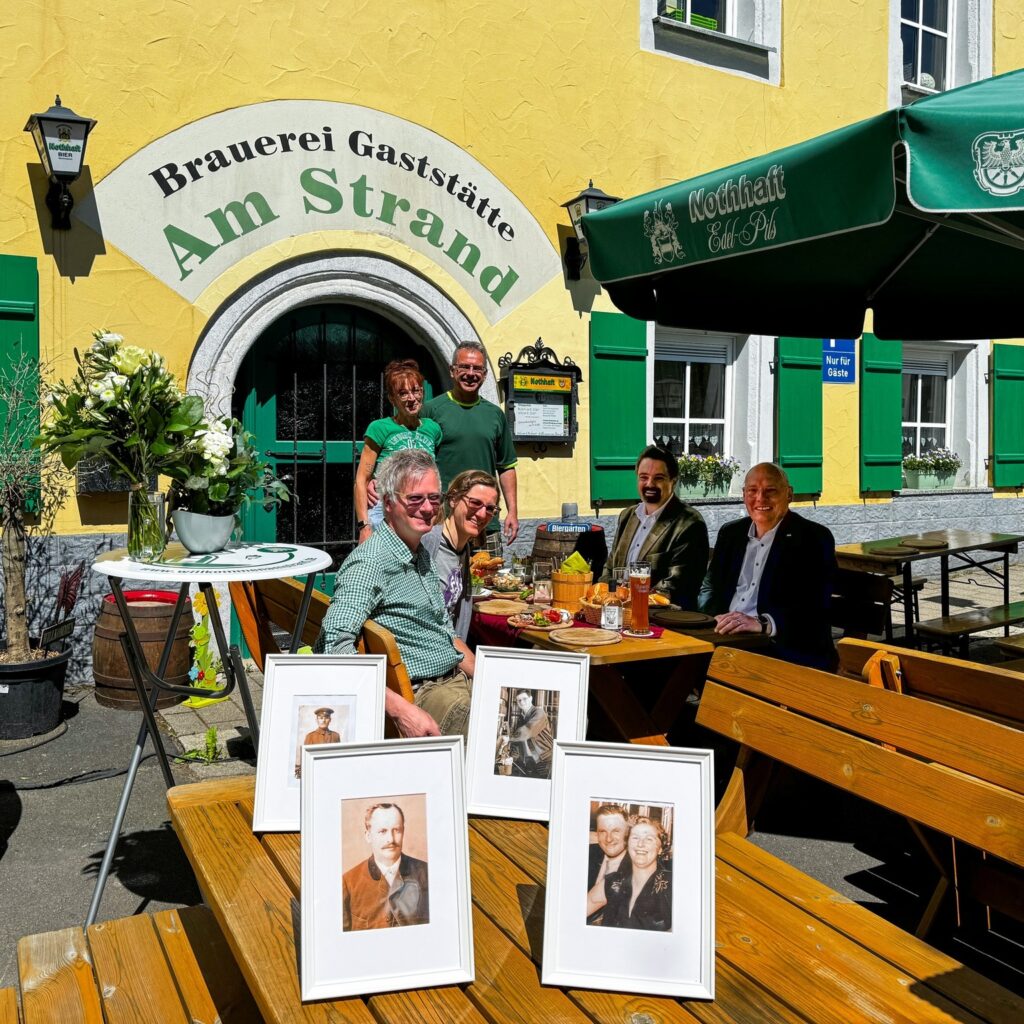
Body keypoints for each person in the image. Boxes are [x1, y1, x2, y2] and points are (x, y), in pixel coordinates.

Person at [317, 449, 475, 738]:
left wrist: (493, 678)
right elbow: (331, 647)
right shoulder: (371, 563)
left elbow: (446, 633)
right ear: (388, 503)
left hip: (453, 681)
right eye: (415, 498)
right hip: (423, 695)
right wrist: (400, 710)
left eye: (434, 498)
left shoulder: (420, 553)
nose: (428, 508)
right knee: (522, 740)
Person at [701, 462, 838, 670]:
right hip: (727, 636)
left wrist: (764, 624)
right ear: (743, 494)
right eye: (752, 491)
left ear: (789, 494)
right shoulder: (731, 534)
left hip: (780, 645)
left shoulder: (812, 538)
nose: (760, 498)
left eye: (770, 491)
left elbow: (815, 604)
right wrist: (713, 617)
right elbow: (710, 587)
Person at [422, 341, 518, 552]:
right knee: (442, 583)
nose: (470, 373)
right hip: (442, 521)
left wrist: (512, 511)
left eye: (477, 369)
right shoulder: (431, 410)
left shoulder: (495, 415)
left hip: (484, 523)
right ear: (452, 370)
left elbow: (506, 466)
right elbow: (413, 461)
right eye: (464, 367)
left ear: (484, 375)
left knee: (487, 581)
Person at [600, 444, 709, 610]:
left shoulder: (689, 523)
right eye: (643, 477)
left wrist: (629, 602)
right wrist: (604, 597)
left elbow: (676, 587)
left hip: (662, 621)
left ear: (673, 481)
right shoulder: (627, 516)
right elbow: (610, 568)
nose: (649, 484)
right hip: (617, 613)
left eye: (658, 478)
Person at [354, 359, 442, 544]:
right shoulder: (380, 428)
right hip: (386, 512)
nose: (411, 398)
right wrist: (364, 526)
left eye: (416, 391)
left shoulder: (433, 429)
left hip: (423, 512)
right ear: (392, 399)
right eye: (403, 393)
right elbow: (361, 479)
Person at [422, 469, 501, 641]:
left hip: (449, 650)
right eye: (475, 503)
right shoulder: (428, 544)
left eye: (489, 508)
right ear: (453, 499)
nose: (481, 514)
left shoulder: (463, 551)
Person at [342, 802, 429, 930]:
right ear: (368, 836)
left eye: (396, 830)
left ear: (403, 832)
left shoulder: (427, 874)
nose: (391, 839)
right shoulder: (348, 883)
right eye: (382, 831)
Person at [599, 817, 672, 932]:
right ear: (627, 845)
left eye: (649, 839)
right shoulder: (613, 881)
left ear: (660, 849)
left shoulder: (673, 884)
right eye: (635, 837)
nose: (640, 844)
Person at [586, 804, 631, 923]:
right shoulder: (587, 854)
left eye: (616, 831)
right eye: (603, 831)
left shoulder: (636, 867)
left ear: (627, 833)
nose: (609, 839)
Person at [507, 691, 553, 779]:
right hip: (529, 762)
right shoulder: (522, 718)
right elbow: (519, 741)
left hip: (544, 760)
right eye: (519, 700)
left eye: (524, 699)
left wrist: (509, 738)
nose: (522, 702)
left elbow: (528, 730)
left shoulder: (539, 713)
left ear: (531, 698)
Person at [294, 706, 341, 779]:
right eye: (321, 718)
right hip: (315, 773)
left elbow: (339, 757)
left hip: (332, 773)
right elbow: (305, 759)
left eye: (326, 718)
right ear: (317, 720)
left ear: (330, 720)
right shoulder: (310, 736)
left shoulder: (336, 736)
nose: (323, 721)